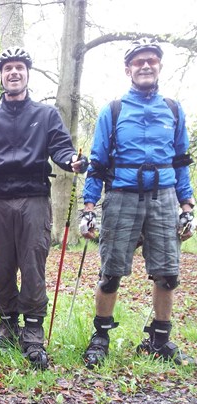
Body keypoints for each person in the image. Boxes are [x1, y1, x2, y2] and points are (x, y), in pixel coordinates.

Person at [0, 47, 87, 369]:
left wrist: (72, 161)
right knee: (3, 265)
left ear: (27, 74)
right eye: (8, 69)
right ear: (1, 76)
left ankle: (33, 332)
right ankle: (7, 324)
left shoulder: (46, 115)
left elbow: (61, 148)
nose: (14, 73)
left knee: (33, 262)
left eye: (19, 68)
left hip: (34, 196)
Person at [80, 38, 195, 368]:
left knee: (168, 274)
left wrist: (187, 206)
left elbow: (181, 160)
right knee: (110, 273)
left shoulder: (172, 109)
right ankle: (100, 337)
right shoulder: (113, 109)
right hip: (120, 198)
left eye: (152, 61)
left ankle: (159, 340)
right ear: (128, 69)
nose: (146, 65)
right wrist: (89, 207)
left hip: (165, 198)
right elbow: (98, 161)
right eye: (139, 61)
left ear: (159, 66)